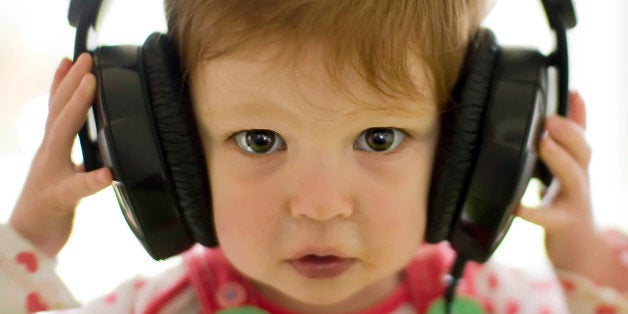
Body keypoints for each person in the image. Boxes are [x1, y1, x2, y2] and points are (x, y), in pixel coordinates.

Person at [2, 0, 627, 313]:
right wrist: (30, 240)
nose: (320, 205)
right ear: (177, 154)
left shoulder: (496, 304)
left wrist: (589, 266)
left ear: (474, 144)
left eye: (379, 138)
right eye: (259, 140)